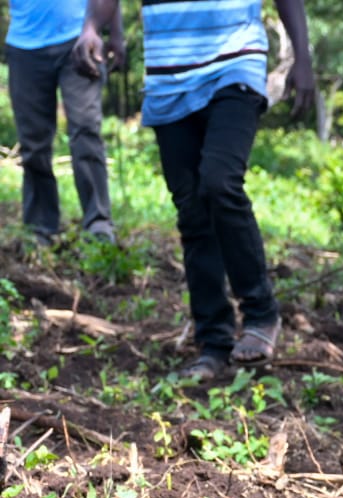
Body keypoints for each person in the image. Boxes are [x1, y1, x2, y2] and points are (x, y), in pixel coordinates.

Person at [74, 0, 315, 383]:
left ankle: (260, 313)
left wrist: (303, 58)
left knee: (220, 181)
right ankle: (214, 343)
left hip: (236, 60)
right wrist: (91, 26)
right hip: (168, 76)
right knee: (191, 209)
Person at [4, 0, 122, 246]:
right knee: (33, 143)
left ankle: (98, 222)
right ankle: (40, 227)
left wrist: (115, 31)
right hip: (24, 45)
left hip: (80, 38)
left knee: (86, 129)